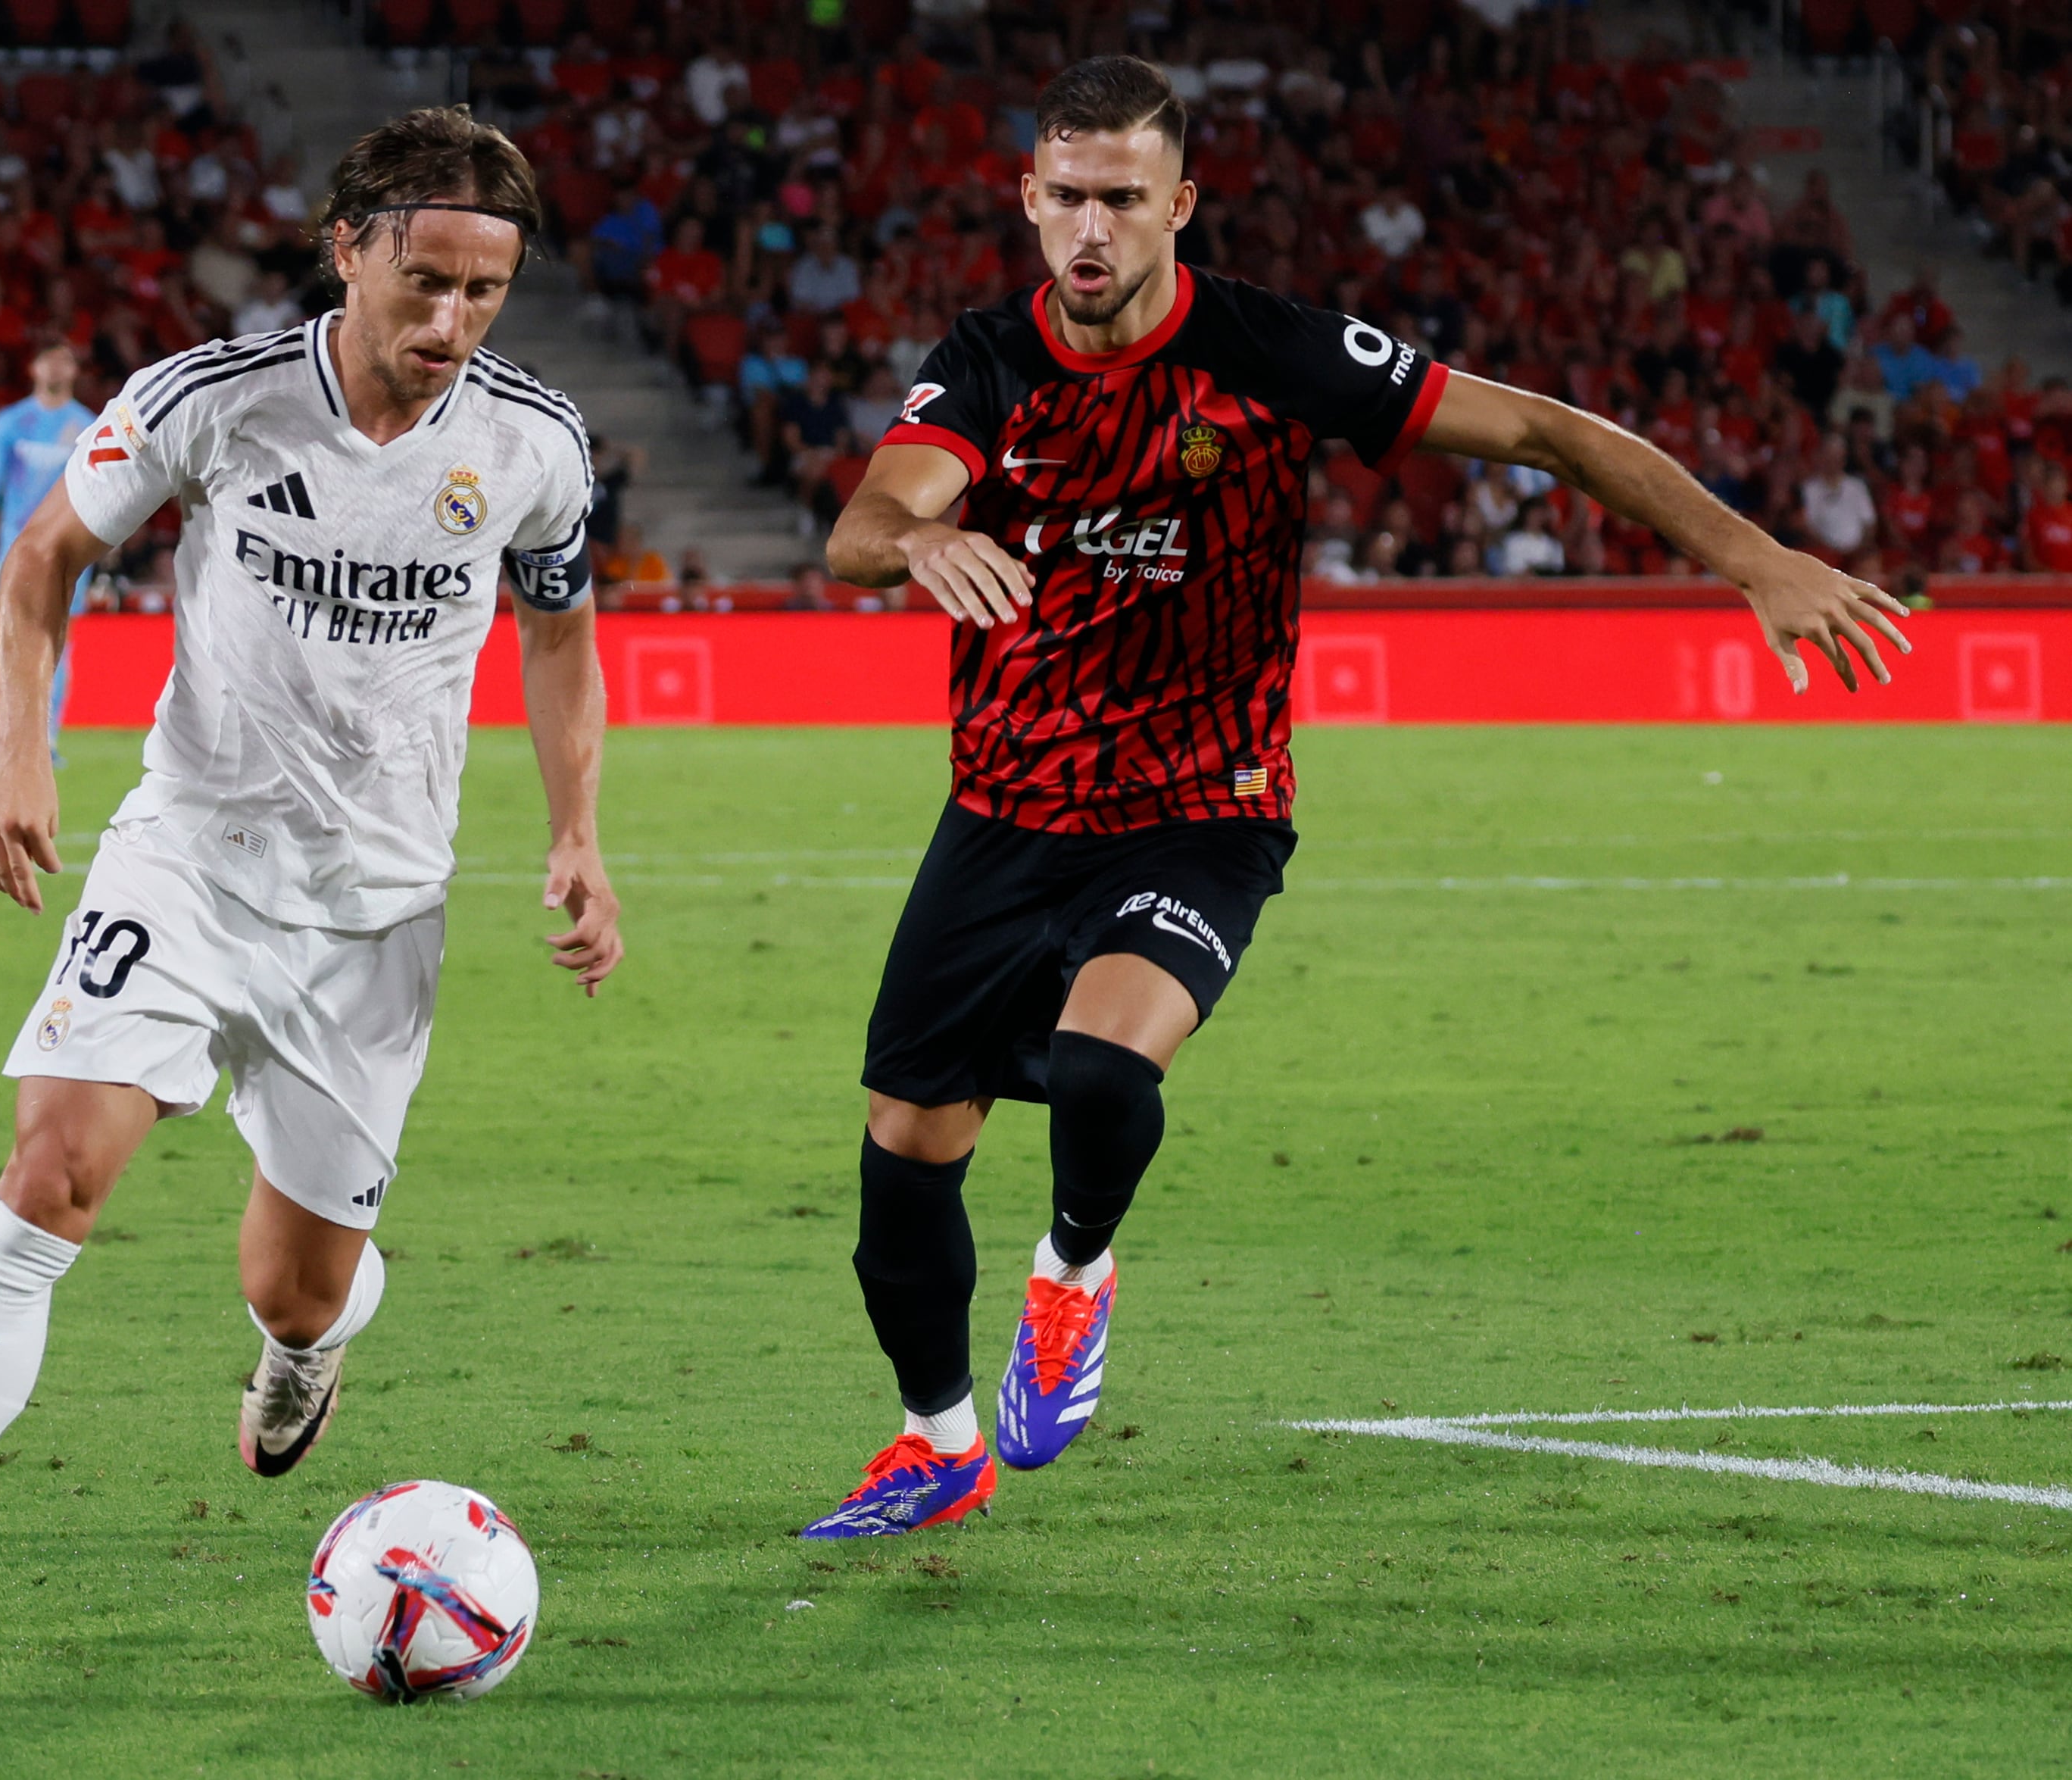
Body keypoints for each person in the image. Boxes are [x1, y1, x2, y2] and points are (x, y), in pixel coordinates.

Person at [807, 56, 1910, 1540]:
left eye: (1121, 199)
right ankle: (934, 1443)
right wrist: (907, 546)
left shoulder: (1270, 350)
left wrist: (1752, 557)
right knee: (906, 1141)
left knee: (1097, 1071)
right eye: (1063, 195)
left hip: (1203, 801)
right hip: (1007, 807)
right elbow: (867, 516)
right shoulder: (988, 360)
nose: (1089, 228)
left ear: (1176, 206)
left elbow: (1542, 430)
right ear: (1025, 196)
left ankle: (1070, 1274)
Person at [0, 106, 623, 1657]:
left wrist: (576, 832)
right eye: (423, 281)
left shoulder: (531, 443)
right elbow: (41, 558)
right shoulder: (212, 400)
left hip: (376, 915)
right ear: (349, 249)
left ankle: (307, 1350)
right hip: (185, 861)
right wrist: (20, 756)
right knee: (52, 1172)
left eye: (484, 294)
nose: (450, 324)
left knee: (298, 1287)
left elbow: (562, 630)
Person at [0, 342, 99, 744]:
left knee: (57, 639)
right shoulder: (12, 422)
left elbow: (107, 492)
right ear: (33, 366)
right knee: (9, 636)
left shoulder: (89, 425)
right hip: (15, 544)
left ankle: (47, 738)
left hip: (70, 545)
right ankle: (12, 730)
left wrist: (111, 556)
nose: (56, 367)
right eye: (49, 358)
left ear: (75, 370)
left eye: (65, 359)